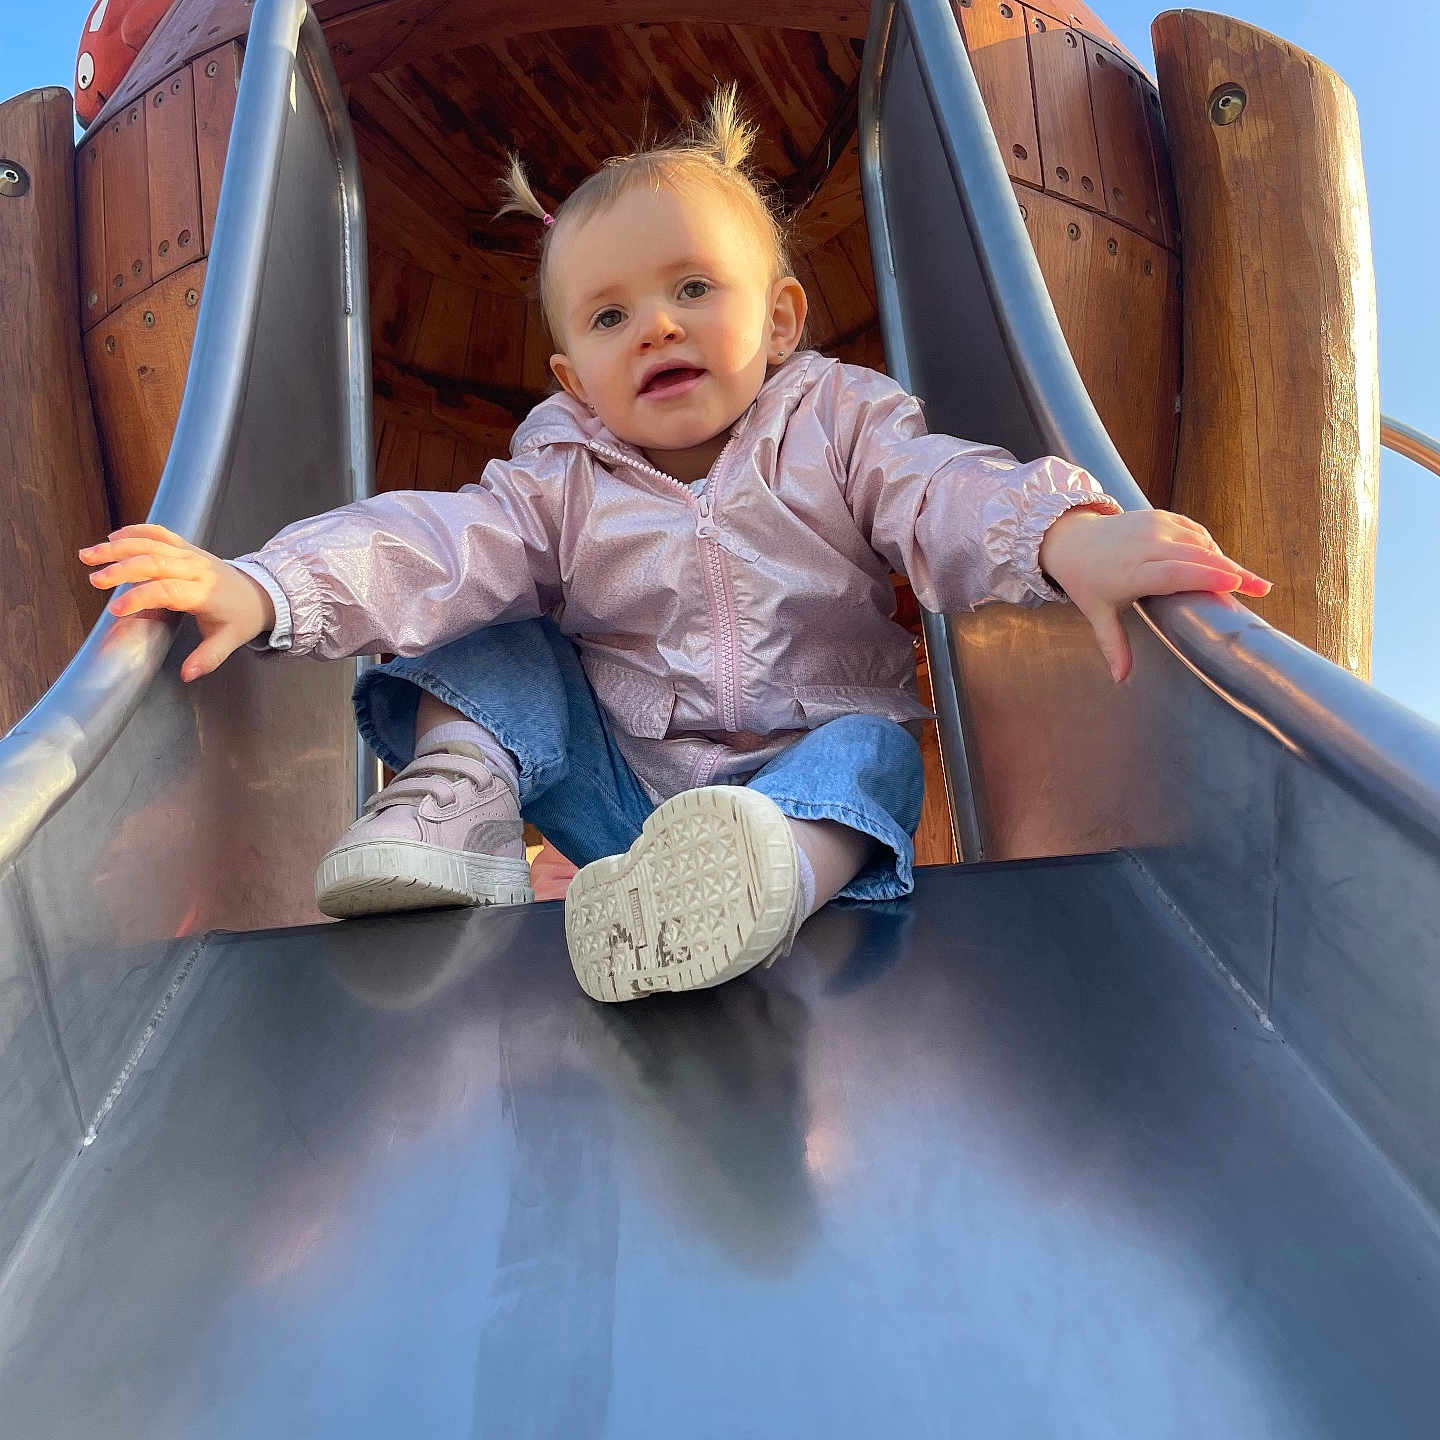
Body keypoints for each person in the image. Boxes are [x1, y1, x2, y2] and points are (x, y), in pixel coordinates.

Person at [78, 88, 1269, 1004]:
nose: (656, 325)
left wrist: (1069, 540)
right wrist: (269, 585)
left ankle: (768, 881)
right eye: (609, 316)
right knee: (493, 621)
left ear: (782, 317)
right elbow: (434, 543)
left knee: (875, 756)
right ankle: (459, 808)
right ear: (573, 379)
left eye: (694, 287)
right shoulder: (561, 476)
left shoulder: (839, 424)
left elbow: (938, 492)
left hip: (794, 778)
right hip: (618, 796)